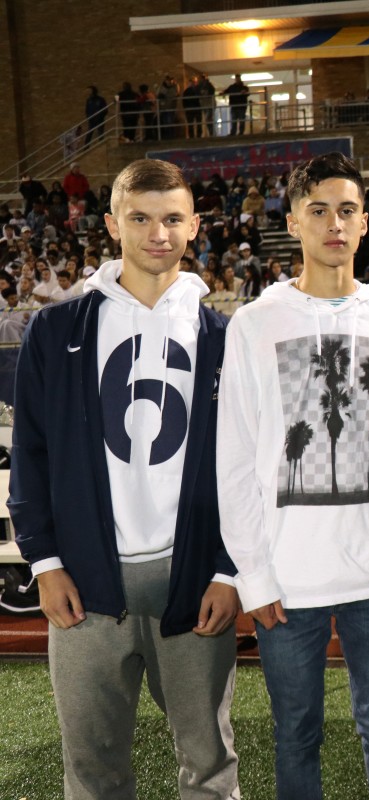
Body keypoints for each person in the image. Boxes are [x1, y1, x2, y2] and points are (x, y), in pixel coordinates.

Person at [8, 158, 240, 798]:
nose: (156, 234)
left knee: (210, 763)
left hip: (191, 576)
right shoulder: (55, 331)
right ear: (112, 223)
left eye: (171, 219)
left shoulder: (226, 337)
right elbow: (30, 451)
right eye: (140, 218)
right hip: (84, 577)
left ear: (194, 225)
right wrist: (45, 559)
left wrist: (227, 571)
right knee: (93, 767)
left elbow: (247, 465)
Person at [217, 152, 369, 800]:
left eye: (348, 210)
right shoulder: (254, 324)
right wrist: (253, 572)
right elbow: (237, 457)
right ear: (296, 223)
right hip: (287, 577)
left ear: (365, 225)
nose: (335, 222)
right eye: (319, 210)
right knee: (295, 732)